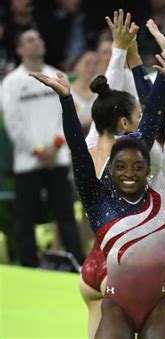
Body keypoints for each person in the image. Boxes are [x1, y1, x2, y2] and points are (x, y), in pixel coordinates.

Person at [31, 47, 165, 337]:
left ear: (148, 170)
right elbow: (77, 149)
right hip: (113, 283)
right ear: (110, 172)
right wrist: (66, 100)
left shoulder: (161, 190)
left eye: (137, 168)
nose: (130, 173)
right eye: (121, 168)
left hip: (117, 280)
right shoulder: (97, 194)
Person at [77, 10, 165, 338]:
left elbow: (106, 101)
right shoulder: (138, 152)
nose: (141, 118)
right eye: (134, 115)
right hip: (145, 266)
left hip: (94, 266)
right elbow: (156, 113)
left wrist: (123, 52)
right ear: (125, 123)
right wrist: (164, 64)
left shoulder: (90, 145)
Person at [1, 29, 84, 267]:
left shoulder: (56, 76)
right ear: (19, 49)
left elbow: (67, 113)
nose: (36, 43)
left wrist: (55, 146)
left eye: (38, 38)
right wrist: (38, 151)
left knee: (66, 215)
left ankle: (76, 263)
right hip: (27, 162)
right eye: (29, 40)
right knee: (25, 219)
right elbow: (12, 122)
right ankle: (28, 265)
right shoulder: (11, 83)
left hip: (57, 160)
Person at [70, 50, 99, 134]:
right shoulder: (67, 92)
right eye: (87, 63)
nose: (91, 67)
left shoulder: (102, 91)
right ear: (76, 65)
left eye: (95, 64)